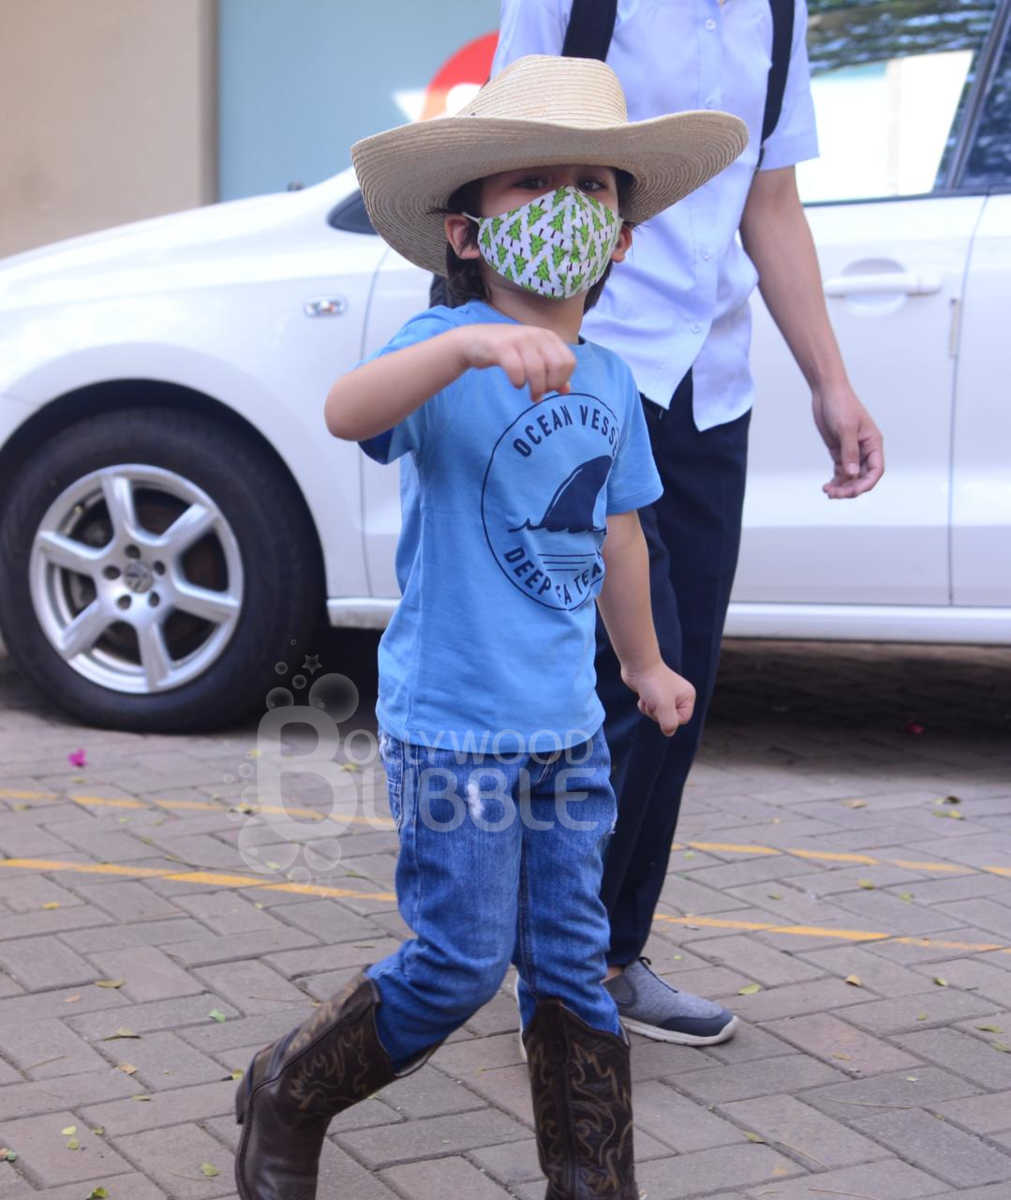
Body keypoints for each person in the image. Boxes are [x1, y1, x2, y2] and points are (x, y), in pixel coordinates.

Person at [233, 54, 746, 1200]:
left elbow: (619, 535)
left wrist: (648, 662)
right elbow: (342, 412)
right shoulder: (435, 371)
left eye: (594, 186)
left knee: (572, 960)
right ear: (465, 233)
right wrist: (462, 344)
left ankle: (590, 1179)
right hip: (454, 733)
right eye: (534, 183)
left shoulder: (610, 380)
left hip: (566, 731)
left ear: (620, 238)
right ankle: (287, 1089)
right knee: (460, 958)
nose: (569, 205)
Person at [492, 0, 886, 1046]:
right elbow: (503, 160)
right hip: (587, 364)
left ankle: (610, 953)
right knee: (627, 677)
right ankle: (557, 962)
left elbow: (771, 200)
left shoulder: (777, 12)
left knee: (680, 691)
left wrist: (829, 384)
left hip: (710, 385)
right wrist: (511, 356)